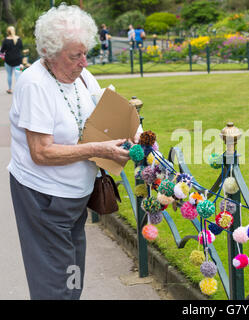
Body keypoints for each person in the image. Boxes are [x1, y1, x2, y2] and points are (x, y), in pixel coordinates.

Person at [8, 4, 140, 300]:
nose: (84, 62)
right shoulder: (34, 85)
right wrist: (97, 148)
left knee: (71, 271)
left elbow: (106, 111)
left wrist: (134, 132)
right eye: (75, 56)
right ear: (49, 52)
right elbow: (40, 153)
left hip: (75, 197)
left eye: (84, 53)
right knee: (53, 280)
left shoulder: (81, 76)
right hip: (43, 197)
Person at [1, 26, 23, 94]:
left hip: (8, 60)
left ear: (8, 32)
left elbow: (2, 50)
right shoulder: (19, 39)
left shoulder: (5, 40)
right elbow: (21, 48)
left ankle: (10, 89)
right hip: (17, 60)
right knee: (17, 75)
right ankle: (19, 89)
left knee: (9, 75)